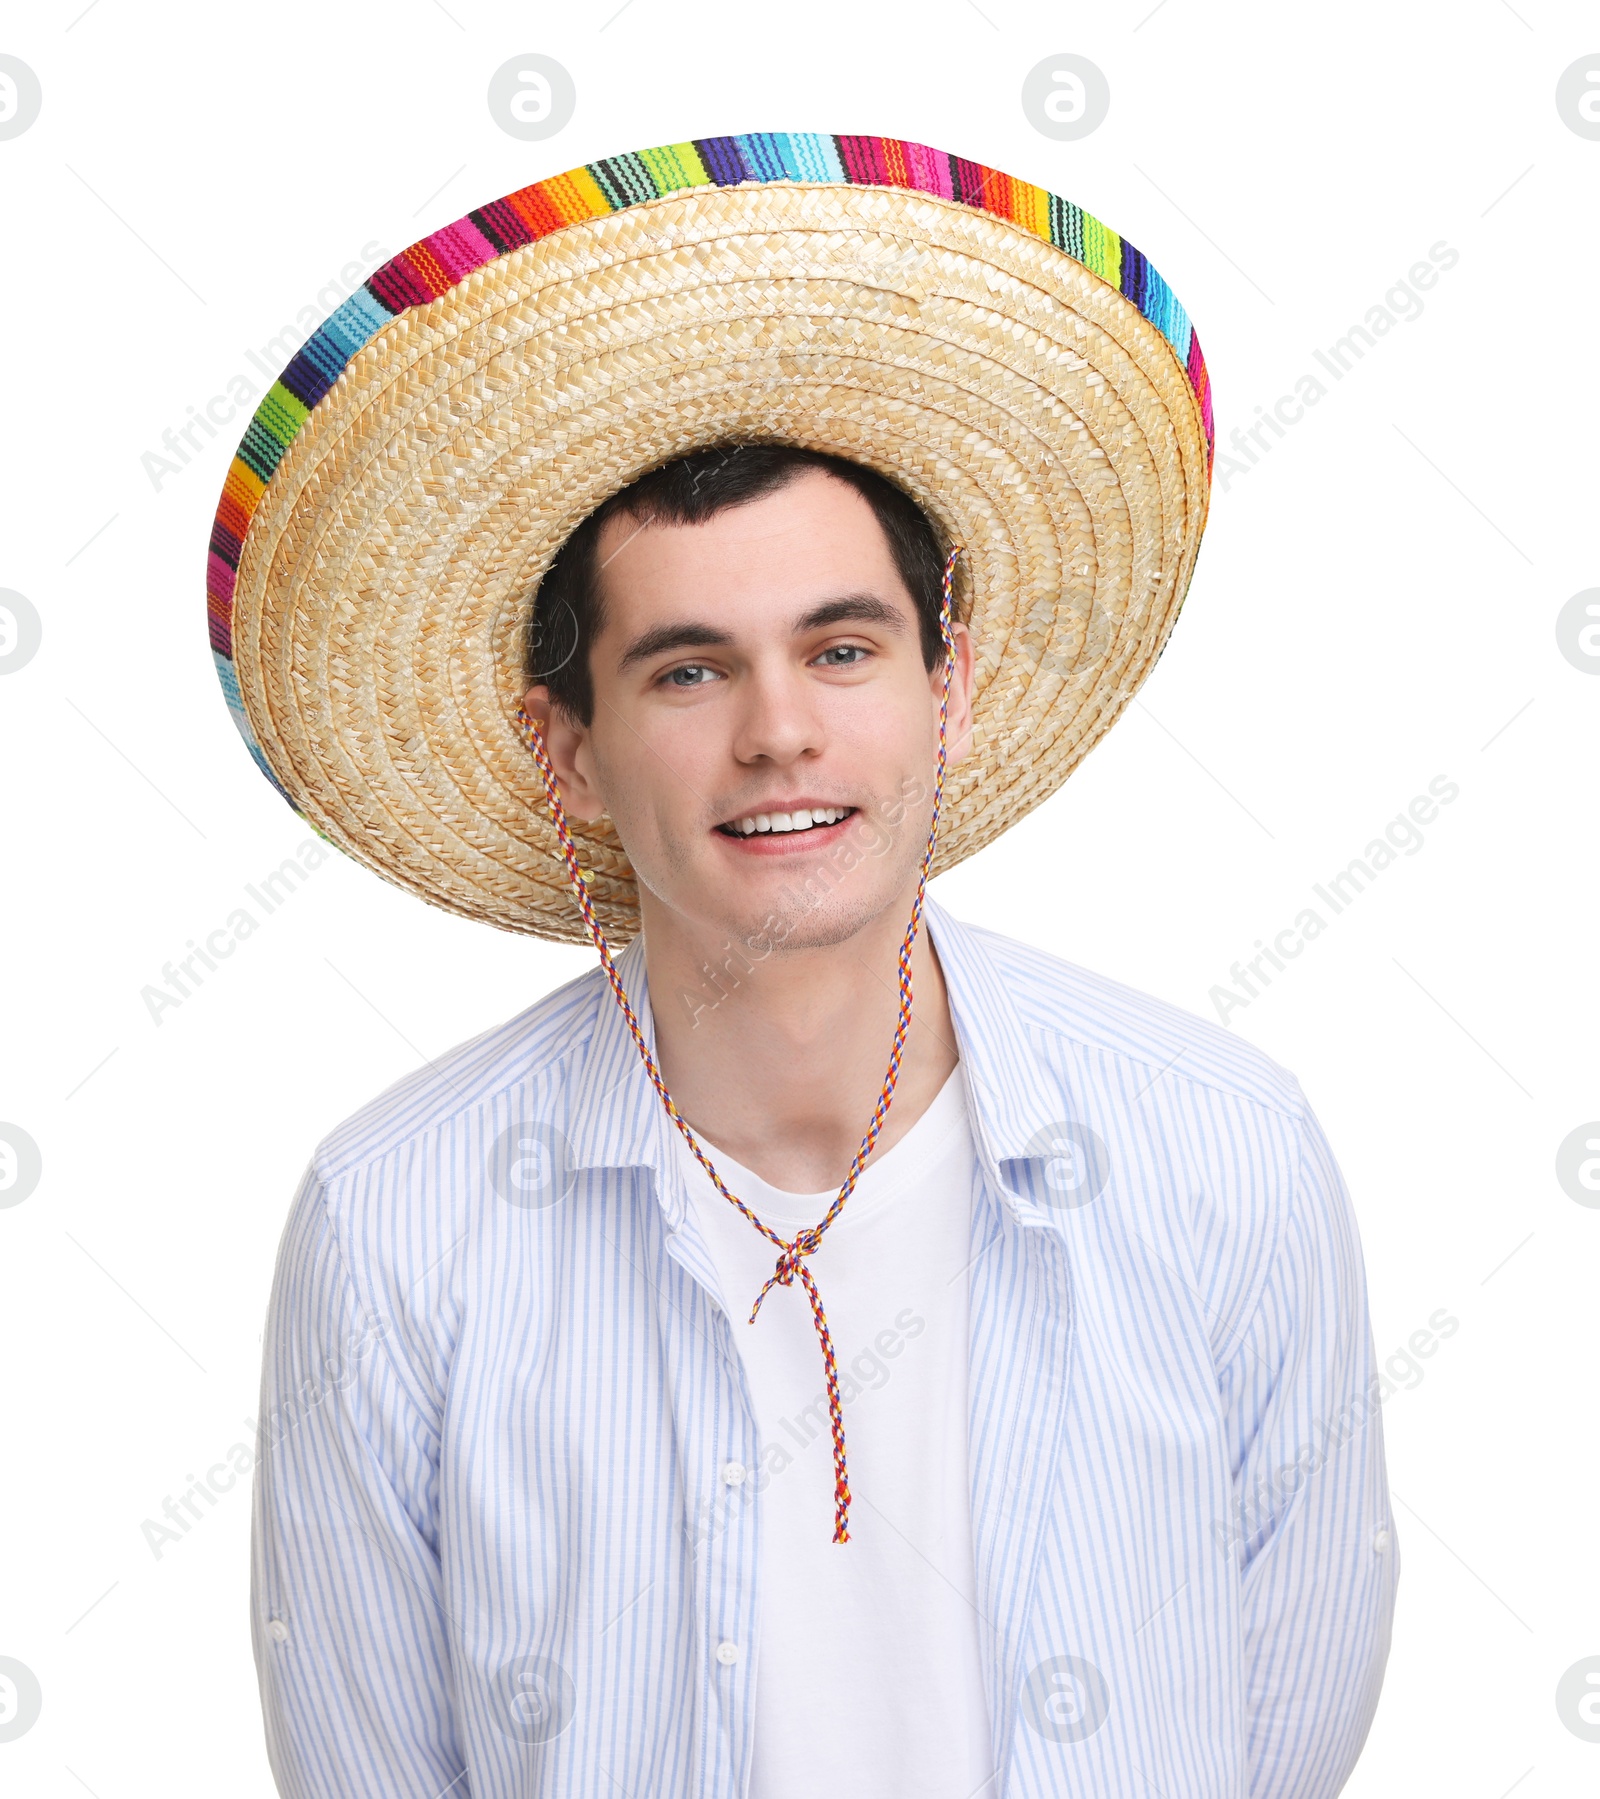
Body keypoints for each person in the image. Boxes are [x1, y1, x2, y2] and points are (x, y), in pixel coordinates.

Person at [215, 133, 1398, 1798]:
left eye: (843, 649)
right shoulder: (402, 1220)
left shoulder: (1221, 1152)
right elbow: (368, 1762)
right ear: (567, 752)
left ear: (950, 687)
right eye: (689, 672)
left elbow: (1289, 1702)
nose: (780, 734)